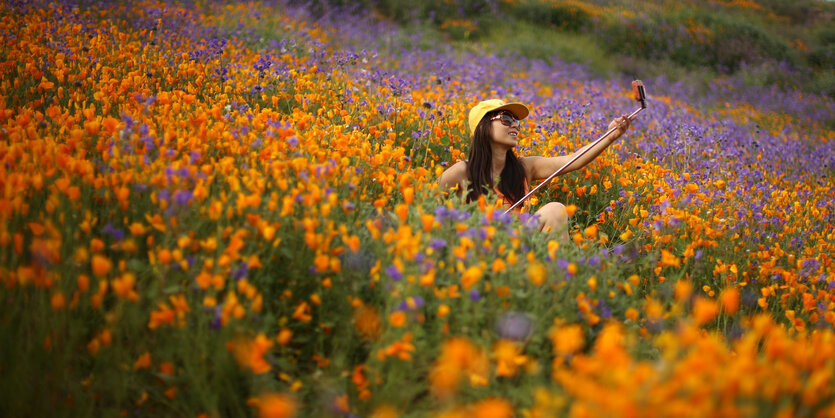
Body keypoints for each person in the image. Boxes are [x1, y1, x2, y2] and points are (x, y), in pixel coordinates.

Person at [438, 99, 631, 244]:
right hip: (479, 252)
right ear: (483, 127)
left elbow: (573, 160)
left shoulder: (524, 167)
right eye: (506, 118)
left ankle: (563, 288)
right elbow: (427, 205)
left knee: (555, 209)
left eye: (516, 121)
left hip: (520, 249)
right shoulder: (462, 171)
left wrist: (610, 136)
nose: (515, 125)